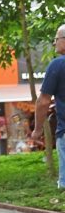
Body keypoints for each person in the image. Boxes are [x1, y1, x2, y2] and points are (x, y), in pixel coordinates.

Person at [32, 24, 65, 190]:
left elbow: (44, 101)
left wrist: (37, 130)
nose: (54, 44)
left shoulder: (58, 65)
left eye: (56, 39)